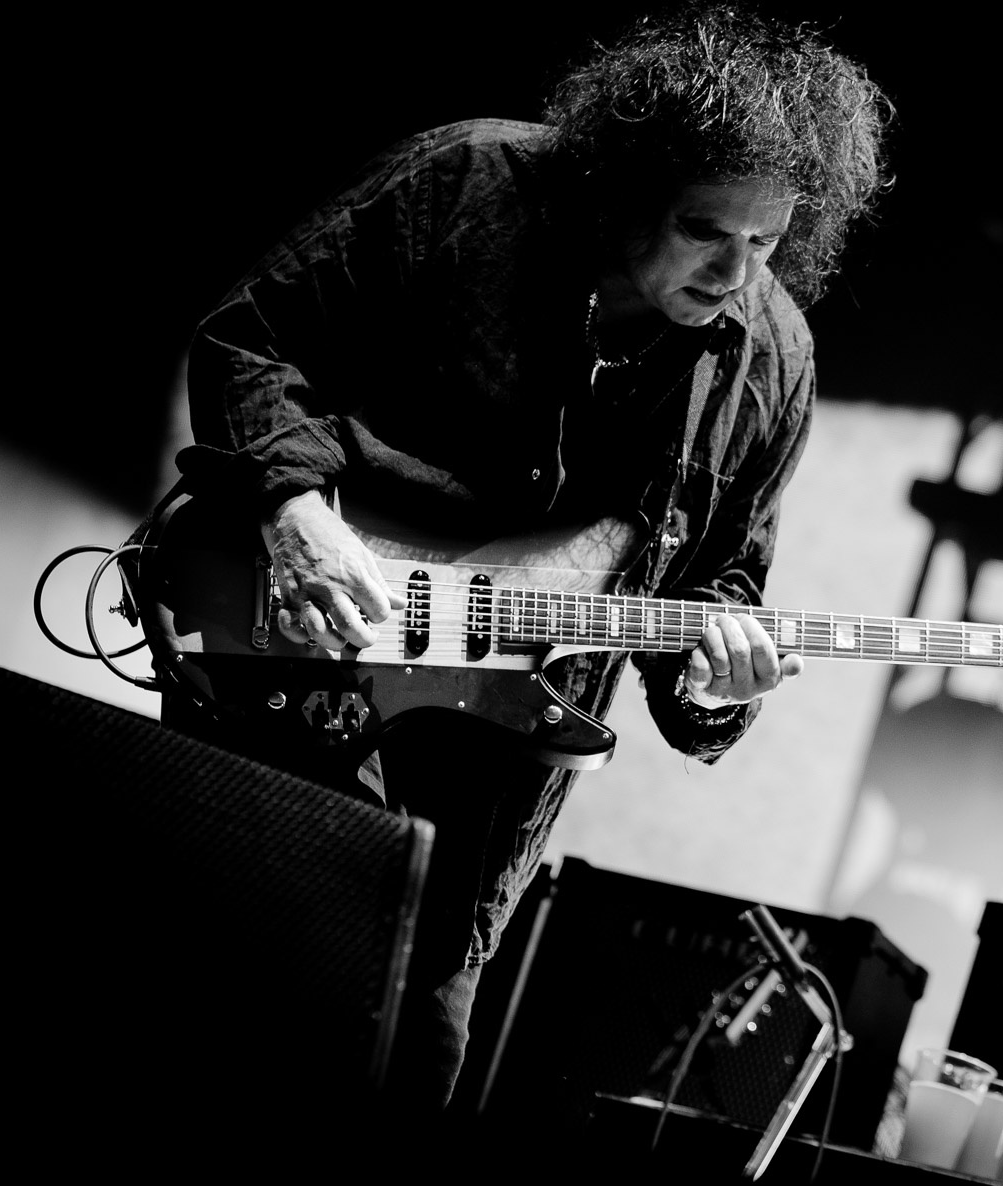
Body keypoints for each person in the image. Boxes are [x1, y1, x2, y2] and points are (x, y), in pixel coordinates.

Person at [178, 6, 889, 1109]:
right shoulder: (470, 184)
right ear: (624, 188)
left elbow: (718, 589)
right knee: (229, 990)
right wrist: (292, 508)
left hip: (494, 772)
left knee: (410, 1056)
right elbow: (249, 335)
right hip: (296, 656)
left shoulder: (772, 361)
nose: (737, 272)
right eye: (708, 231)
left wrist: (715, 684)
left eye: (767, 243)